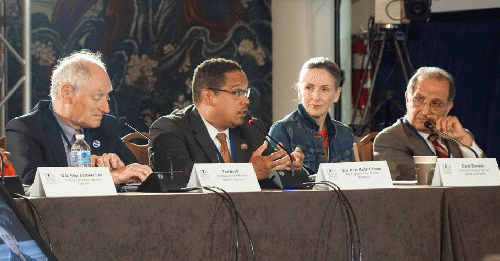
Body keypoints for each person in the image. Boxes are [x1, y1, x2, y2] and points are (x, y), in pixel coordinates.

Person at [149, 58, 304, 187]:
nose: (246, 100)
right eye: (237, 92)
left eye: (246, 92)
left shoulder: (251, 127)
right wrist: (248, 172)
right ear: (208, 97)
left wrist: (288, 168)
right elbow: (181, 181)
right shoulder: (169, 130)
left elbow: (273, 180)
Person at [6, 50, 152, 185]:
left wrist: (124, 170)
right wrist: (103, 178)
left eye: (106, 97)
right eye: (97, 97)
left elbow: (136, 174)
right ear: (66, 93)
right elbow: (30, 182)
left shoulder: (106, 126)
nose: (106, 109)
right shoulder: (25, 129)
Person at [373, 67, 485, 180]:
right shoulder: (388, 139)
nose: (425, 111)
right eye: (419, 99)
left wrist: (464, 141)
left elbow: (487, 180)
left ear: (448, 107)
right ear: (407, 99)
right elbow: (416, 187)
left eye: (436, 103)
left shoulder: (460, 136)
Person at [268, 57, 354, 174]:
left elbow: (351, 183)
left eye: (324, 89)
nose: (316, 97)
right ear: (299, 91)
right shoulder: (282, 130)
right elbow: (274, 183)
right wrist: (297, 173)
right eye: (309, 88)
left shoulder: (345, 133)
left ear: (336, 94)